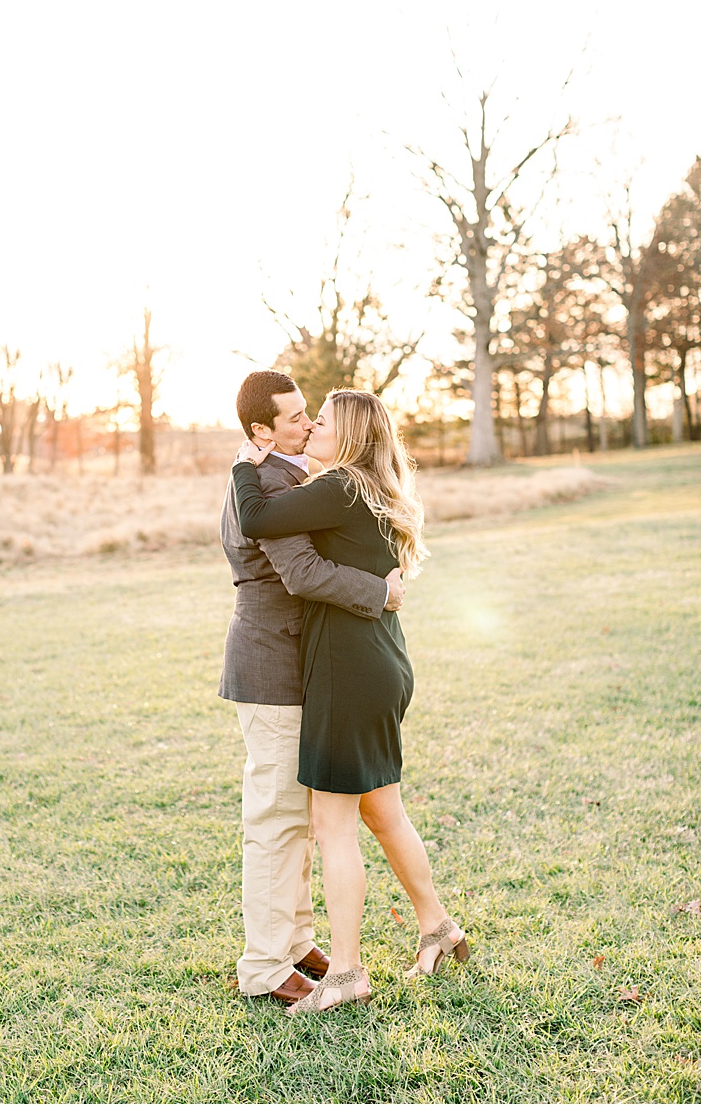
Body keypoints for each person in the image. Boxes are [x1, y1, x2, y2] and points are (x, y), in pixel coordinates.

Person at [232, 387, 469, 1016]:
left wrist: (242, 462)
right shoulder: (367, 488)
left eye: (323, 422)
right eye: (305, 421)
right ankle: (439, 928)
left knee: (331, 825)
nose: (311, 430)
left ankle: (345, 973)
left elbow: (255, 520)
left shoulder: (338, 488)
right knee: (383, 813)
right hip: (382, 662)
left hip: (346, 669)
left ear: (350, 437)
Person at [219, 371, 404, 1008]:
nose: (306, 424)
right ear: (259, 432)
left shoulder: (288, 473)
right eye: (294, 418)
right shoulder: (267, 479)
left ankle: (295, 940)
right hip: (272, 666)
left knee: (296, 816)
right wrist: (379, 592)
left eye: (308, 414)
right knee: (275, 819)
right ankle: (266, 965)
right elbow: (299, 572)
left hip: (302, 668)